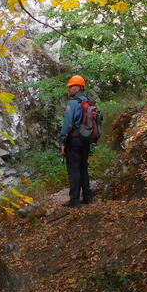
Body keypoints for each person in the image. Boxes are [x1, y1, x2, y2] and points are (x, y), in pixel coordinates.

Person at [58, 75, 93, 207]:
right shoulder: (89, 101)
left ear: (79, 87)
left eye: (72, 86)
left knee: (74, 169)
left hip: (74, 140)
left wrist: (62, 141)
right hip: (86, 139)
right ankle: (88, 197)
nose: (70, 88)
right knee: (83, 167)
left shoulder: (72, 103)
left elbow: (67, 124)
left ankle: (74, 200)